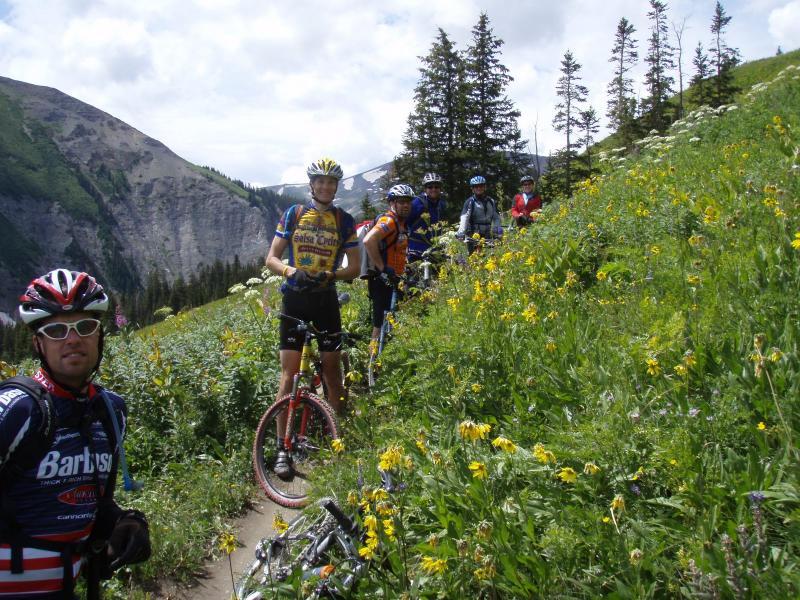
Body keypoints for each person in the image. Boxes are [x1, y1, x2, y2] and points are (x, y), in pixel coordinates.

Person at [0, 269, 151, 599]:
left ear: (99, 336)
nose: (72, 339)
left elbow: (97, 502)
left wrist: (123, 523)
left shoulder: (111, 411)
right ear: (38, 343)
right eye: (56, 330)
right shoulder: (16, 409)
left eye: (85, 327)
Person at [264, 157, 360, 478]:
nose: (325, 187)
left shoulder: (344, 220)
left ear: (336, 187)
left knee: (332, 372)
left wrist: (331, 275)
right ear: (312, 185)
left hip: (325, 302)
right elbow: (272, 259)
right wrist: (292, 271)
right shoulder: (293, 214)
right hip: (294, 300)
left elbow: (355, 268)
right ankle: (282, 447)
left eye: (330, 183)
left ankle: (338, 436)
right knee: (289, 376)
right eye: (320, 182)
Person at [363, 184, 413, 343]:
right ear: (392, 203)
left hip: (393, 278)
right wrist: (382, 268)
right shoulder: (389, 221)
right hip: (382, 279)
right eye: (401, 201)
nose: (406, 205)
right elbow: (368, 240)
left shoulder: (401, 223)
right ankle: (373, 363)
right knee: (379, 324)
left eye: (408, 202)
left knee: (390, 321)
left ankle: (385, 357)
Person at [457, 175, 502, 254]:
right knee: (474, 257)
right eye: (476, 186)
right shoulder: (470, 202)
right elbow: (465, 217)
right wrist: (461, 232)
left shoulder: (491, 201)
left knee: (490, 256)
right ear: (472, 188)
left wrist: (497, 229)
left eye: (481, 186)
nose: (479, 188)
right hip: (473, 234)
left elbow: (496, 217)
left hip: (487, 233)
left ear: (484, 187)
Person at [407, 172, 446, 262]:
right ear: (425, 189)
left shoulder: (441, 204)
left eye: (436, 187)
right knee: (415, 274)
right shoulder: (417, 203)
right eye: (430, 187)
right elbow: (405, 221)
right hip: (416, 248)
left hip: (435, 248)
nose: (433, 189)